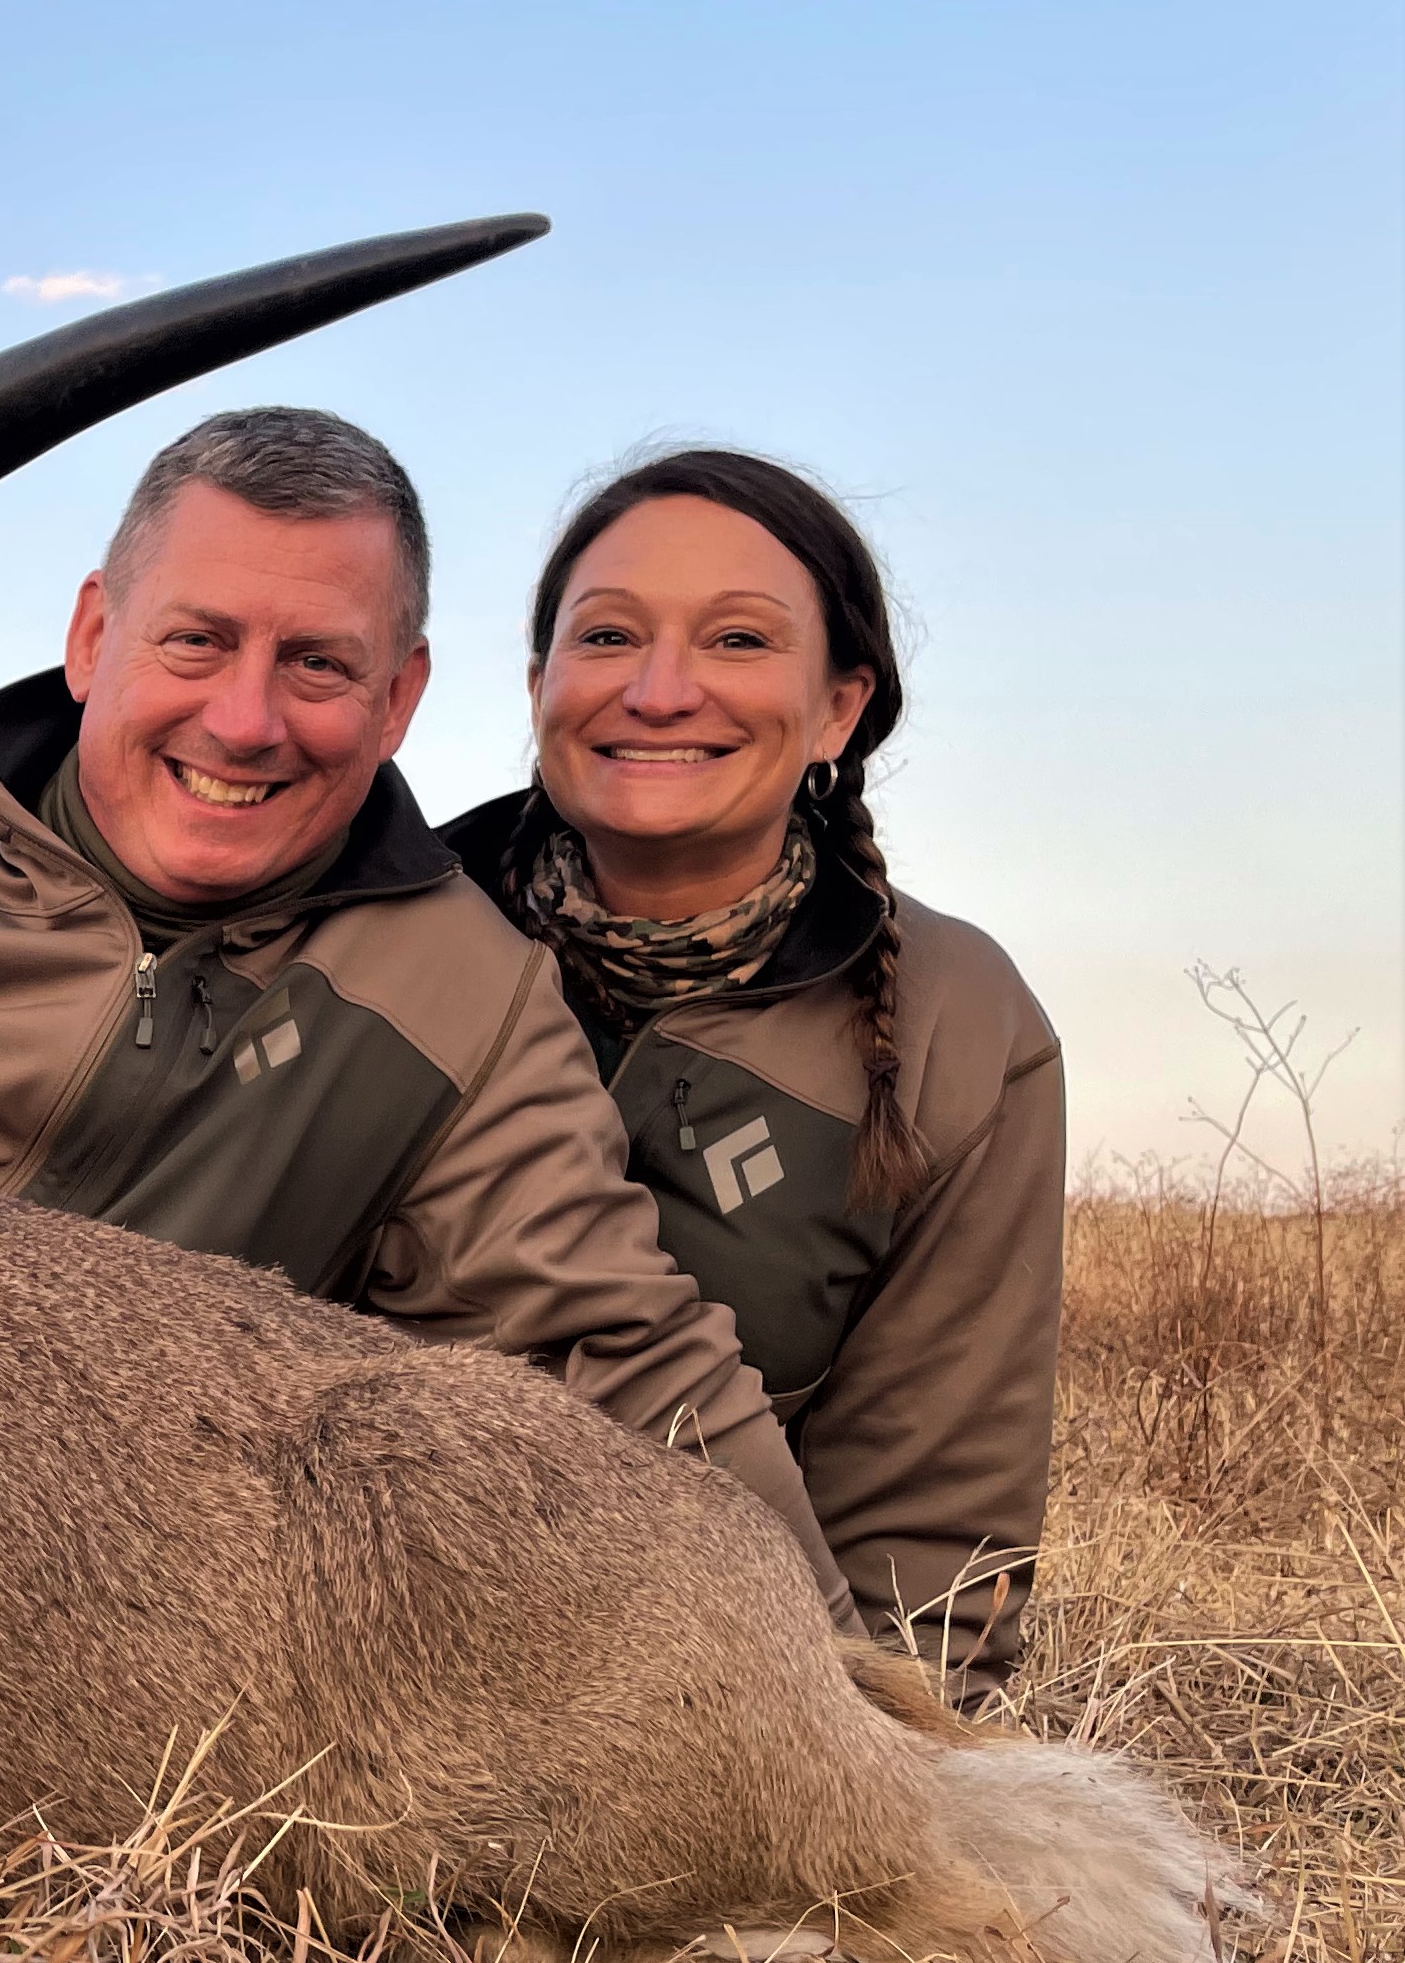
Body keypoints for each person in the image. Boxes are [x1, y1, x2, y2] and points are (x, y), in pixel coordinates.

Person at [0, 405, 857, 1612]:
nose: (244, 720)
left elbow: (621, 1351)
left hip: (23, 1611)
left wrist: (848, 1693)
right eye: (194, 641)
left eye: (317, 664)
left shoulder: (465, 994)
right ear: (91, 633)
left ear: (400, 696)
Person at [441, 451, 1061, 1697]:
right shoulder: (379, 936)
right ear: (538, 684)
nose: (660, 691)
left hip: (690, 1684)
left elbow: (929, 1527)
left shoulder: (959, 1019)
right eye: (607, 635)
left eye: (735, 640)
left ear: (837, 707)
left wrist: (900, 1761)